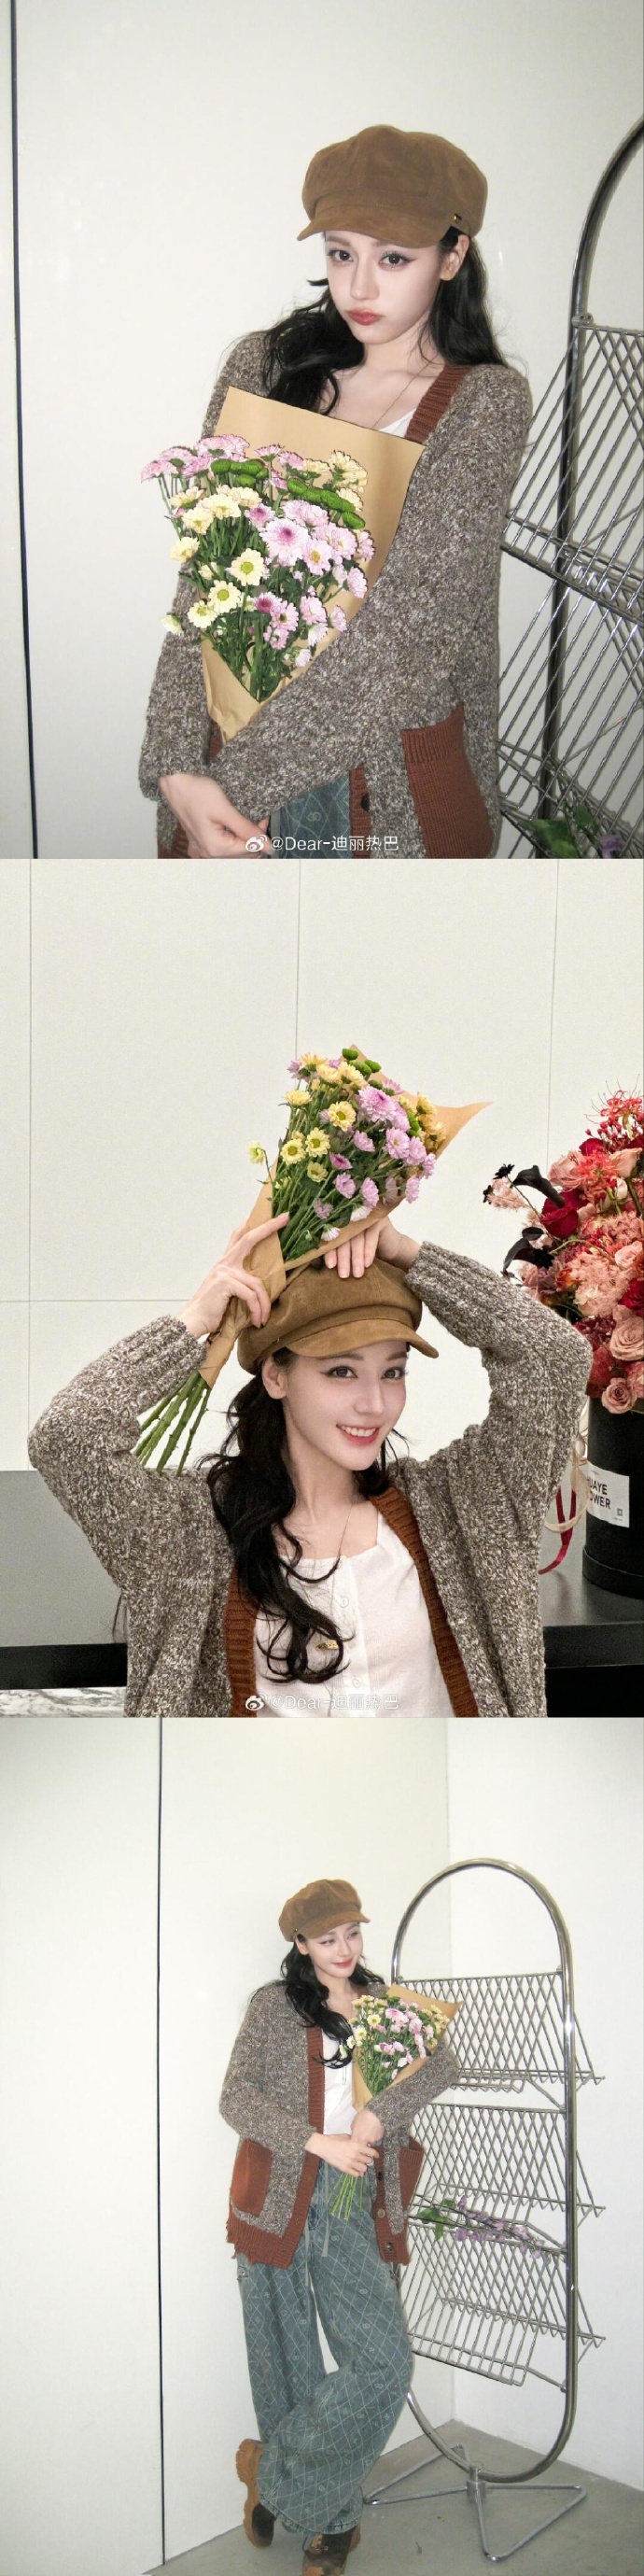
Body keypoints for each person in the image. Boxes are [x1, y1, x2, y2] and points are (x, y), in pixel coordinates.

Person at [139, 124, 532, 860]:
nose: (359, 287)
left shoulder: (483, 406)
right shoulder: (264, 368)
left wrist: (228, 787)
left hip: (380, 786)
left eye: (394, 258)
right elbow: (204, 583)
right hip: (218, 767)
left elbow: (411, 638)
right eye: (341, 253)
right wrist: (174, 765)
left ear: (452, 257)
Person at [27, 1208, 590, 1719]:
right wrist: (195, 1322)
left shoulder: (469, 1505)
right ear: (276, 1376)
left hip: (443, 1800)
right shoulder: (188, 1534)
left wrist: (405, 1253)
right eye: (341, 1371)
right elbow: (68, 1437)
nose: (375, 1403)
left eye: (392, 1371)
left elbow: (555, 1359)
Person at [221, 1875, 460, 2573]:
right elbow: (235, 2098)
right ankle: (333, 2521)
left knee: (384, 2362)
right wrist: (317, 2141)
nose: (345, 1948)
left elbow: (444, 2064)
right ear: (300, 1943)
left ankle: (271, 2472)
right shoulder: (273, 2007)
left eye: (352, 1932)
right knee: (286, 2357)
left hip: (353, 2197)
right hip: (277, 2197)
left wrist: (379, 2112)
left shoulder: (386, 2005)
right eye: (328, 1938)